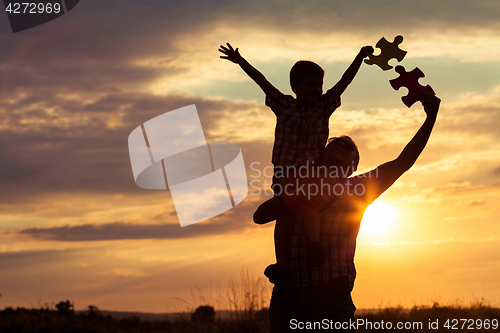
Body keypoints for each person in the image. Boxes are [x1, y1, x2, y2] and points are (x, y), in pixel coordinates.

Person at [266, 92, 440, 332]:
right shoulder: (298, 182)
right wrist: (293, 195)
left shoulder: (358, 187)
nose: (338, 145)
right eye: (333, 143)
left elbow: (403, 161)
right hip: (287, 294)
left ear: (353, 166)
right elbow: (262, 215)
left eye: (347, 147)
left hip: (330, 293)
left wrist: (430, 119)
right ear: (321, 155)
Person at [219, 42, 374, 282]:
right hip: (285, 172)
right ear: (295, 86)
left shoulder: (323, 108)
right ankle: (282, 264)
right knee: (286, 214)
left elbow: (344, 82)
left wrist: (359, 57)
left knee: (309, 205)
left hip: (311, 174)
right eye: (311, 85)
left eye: (320, 85)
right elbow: (262, 82)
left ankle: (314, 246)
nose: (317, 89)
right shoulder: (284, 105)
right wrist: (240, 61)